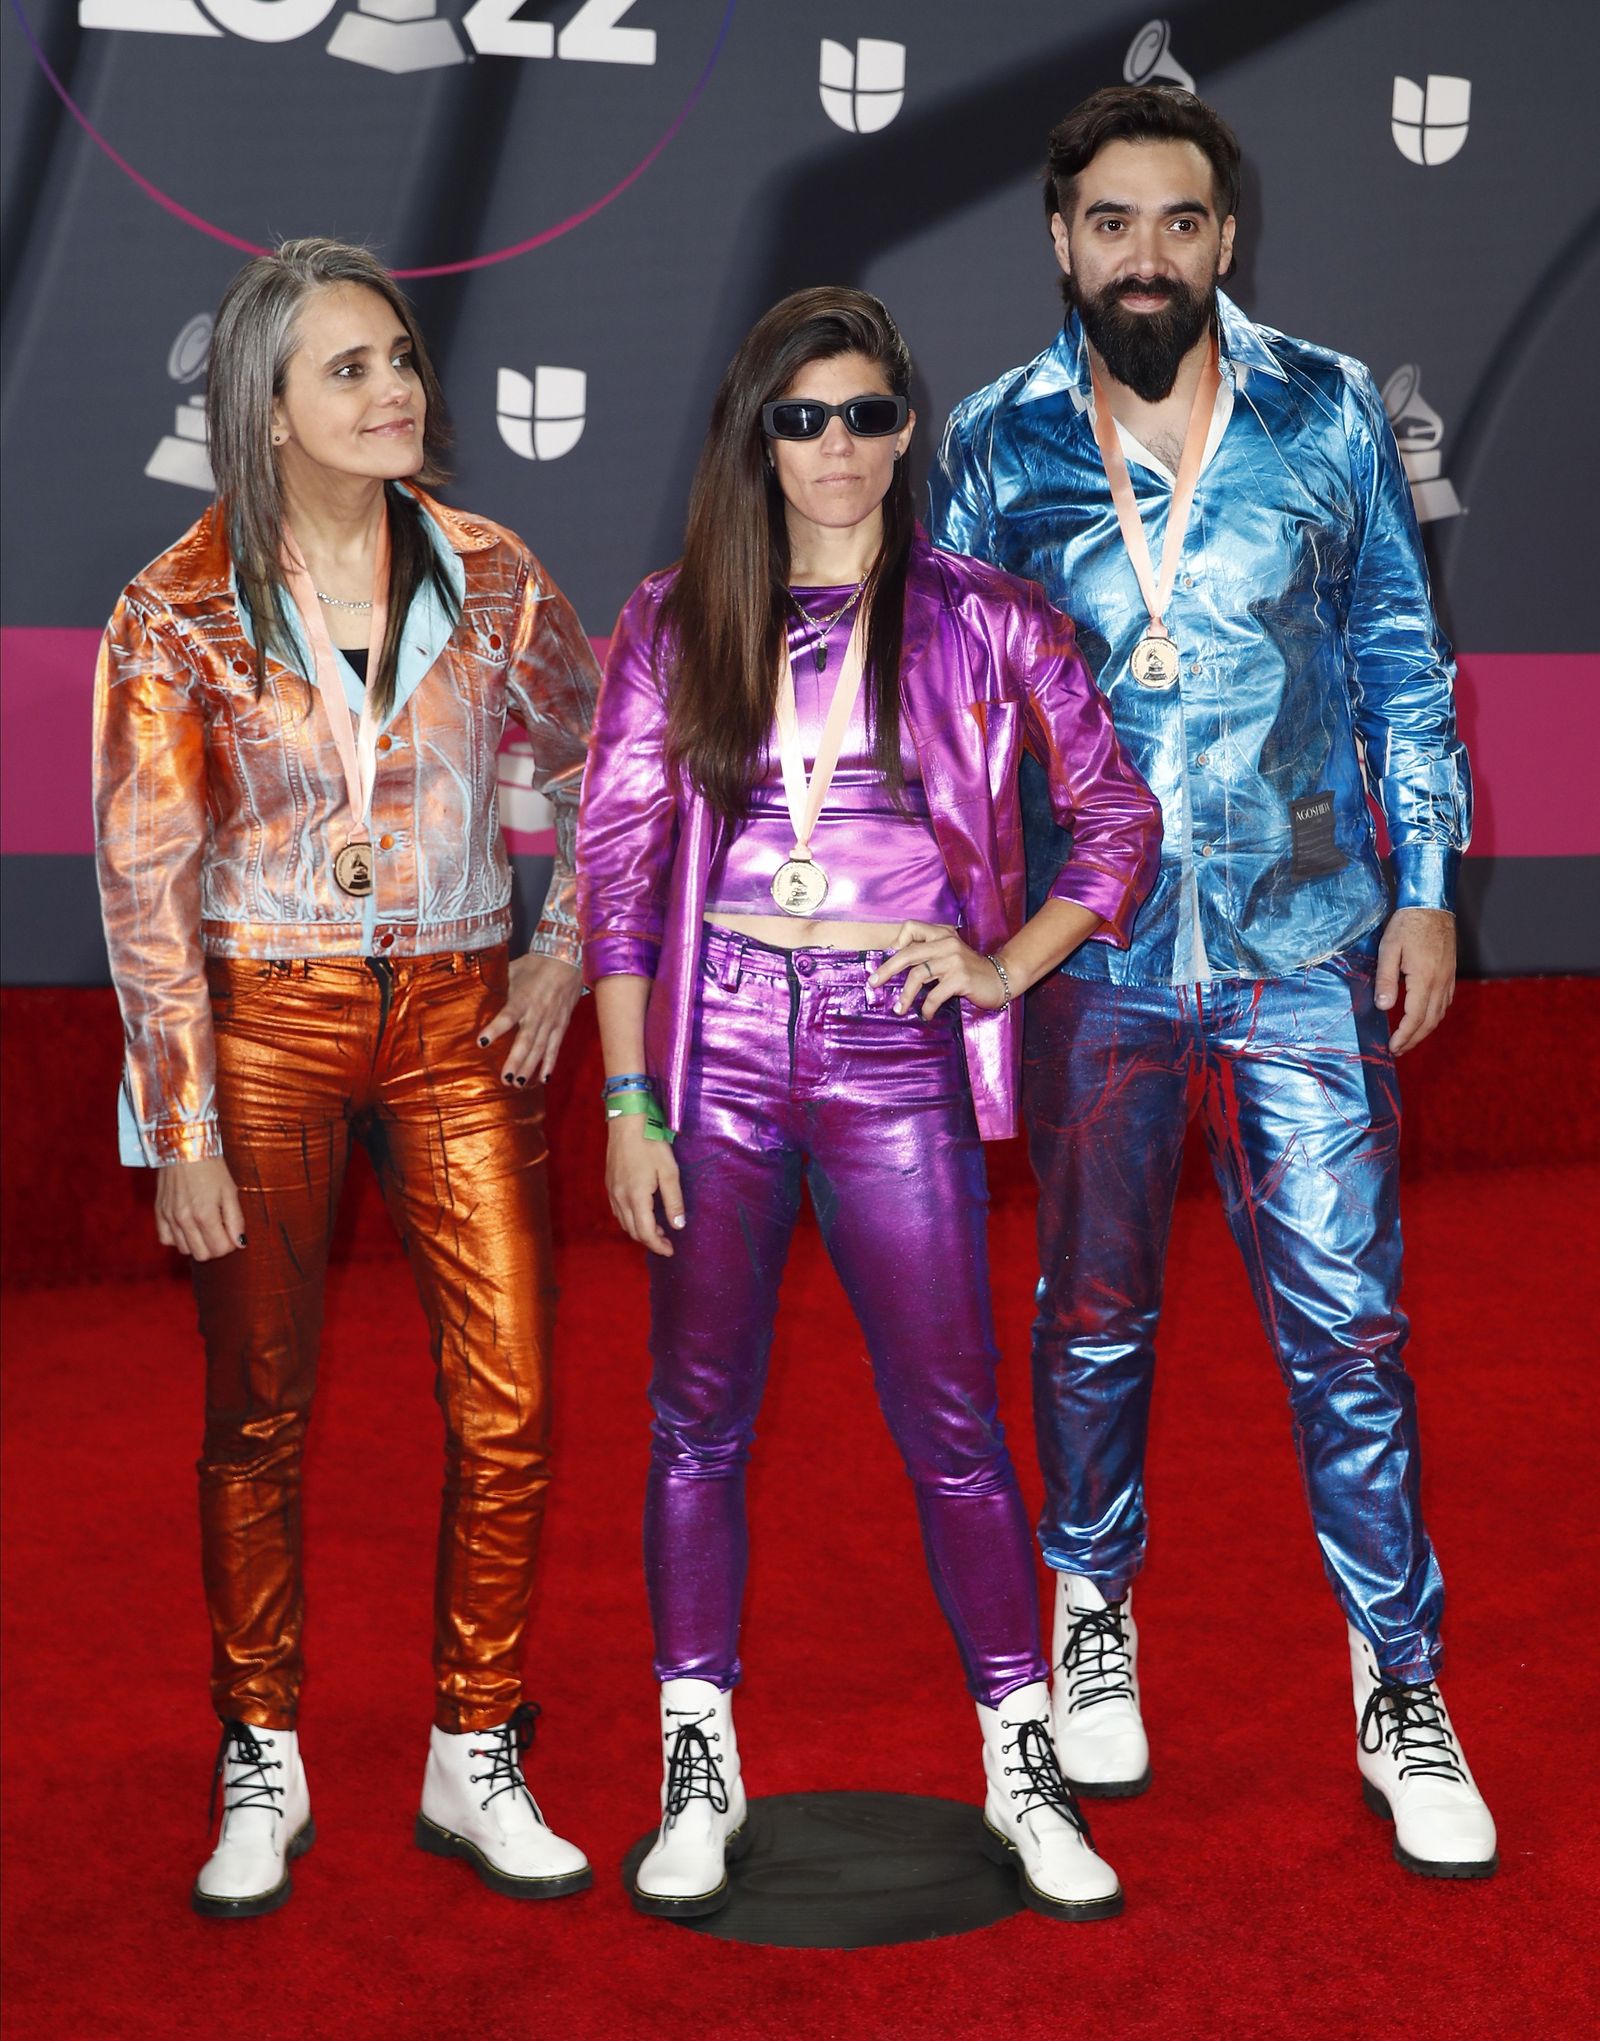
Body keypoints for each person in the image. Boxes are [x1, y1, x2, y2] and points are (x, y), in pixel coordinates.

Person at [930, 86, 1496, 1879]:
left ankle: (1398, 1680)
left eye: (1179, 222)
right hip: (1090, 961)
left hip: (1312, 945)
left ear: (1225, 237)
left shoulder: (1325, 405)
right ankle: (1091, 1599)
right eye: (1111, 224)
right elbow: (946, 721)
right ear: (1060, 240)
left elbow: (1403, 654)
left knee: (1351, 1324)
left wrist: (1430, 887)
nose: (1146, 256)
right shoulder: (999, 441)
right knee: (1092, 1308)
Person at [578, 286, 1161, 1923]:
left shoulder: (986, 614)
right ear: (757, 442)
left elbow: (1117, 817)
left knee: (956, 1427)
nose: (836, 448)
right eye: (801, 418)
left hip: (897, 1044)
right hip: (720, 1050)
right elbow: (617, 875)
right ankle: (700, 1746)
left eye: (863, 414)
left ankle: (1019, 1750)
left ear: (908, 429)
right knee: (698, 1414)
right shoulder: (677, 614)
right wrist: (631, 1095)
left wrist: (1002, 961)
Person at [93, 239, 597, 1917]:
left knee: (513, 1398)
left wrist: (565, 944)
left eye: (399, 358)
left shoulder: (500, 571)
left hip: (462, 1011)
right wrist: (179, 1118)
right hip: (265, 1022)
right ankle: (262, 1749)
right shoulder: (174, 607)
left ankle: (477, 1742)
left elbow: (605, 764)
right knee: (257, 1413)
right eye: (349, 370)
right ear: (268, 406)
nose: (396, 392)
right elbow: (144, 881)